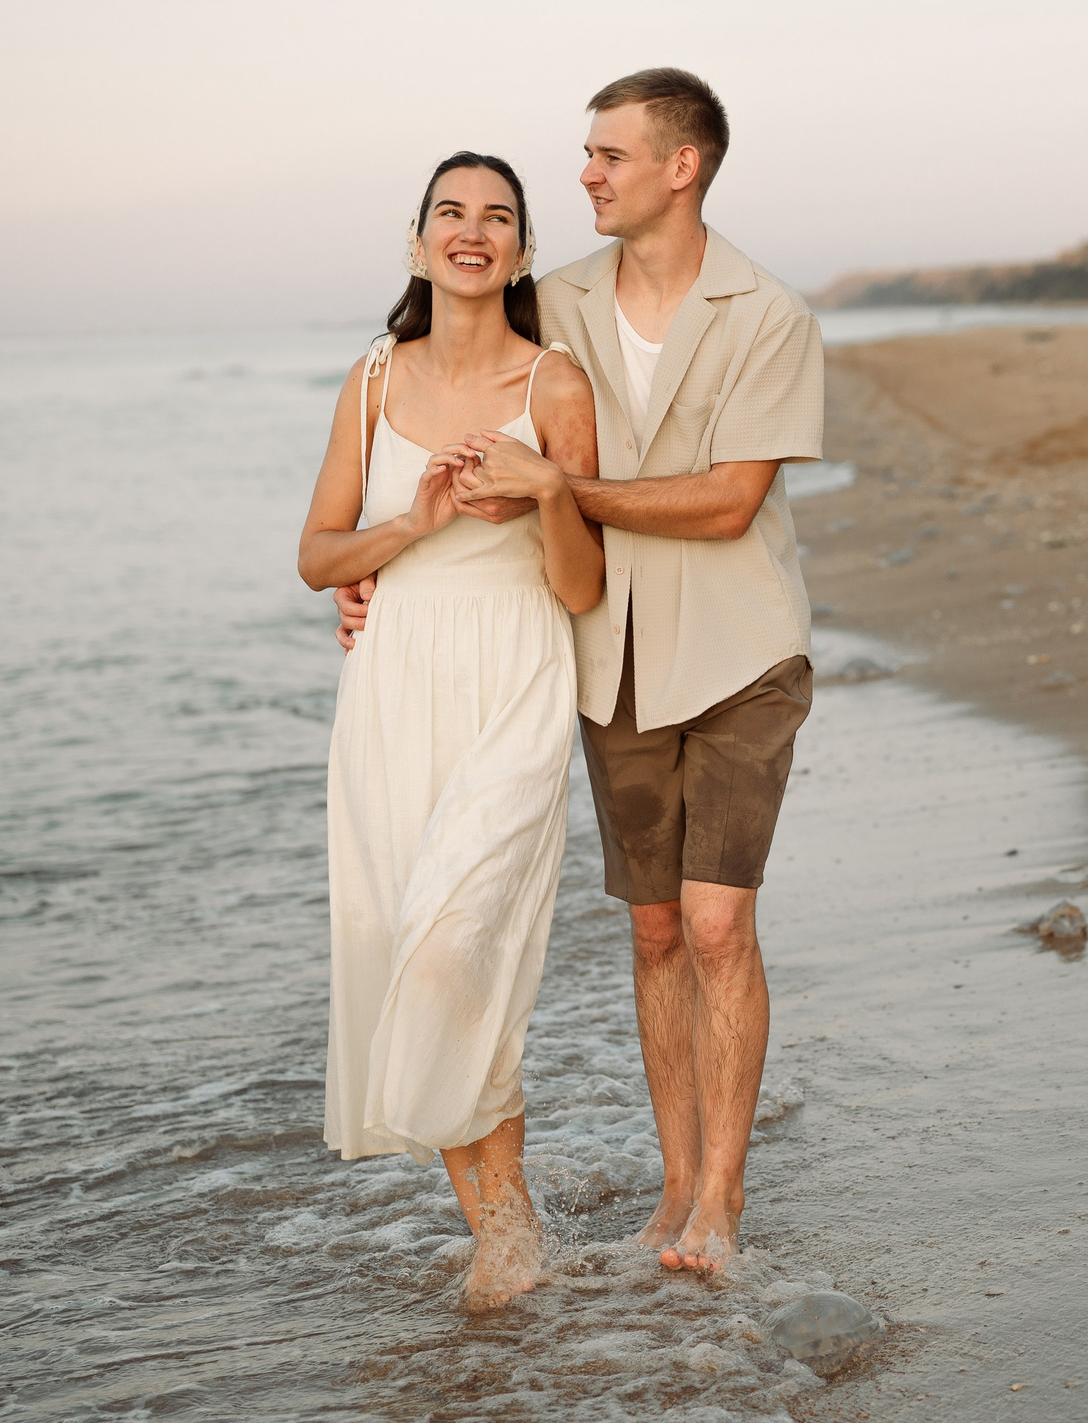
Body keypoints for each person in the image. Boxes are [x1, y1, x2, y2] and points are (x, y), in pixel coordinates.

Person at [338, 69, 823, 1278]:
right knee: (655, 930)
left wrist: (556, 491)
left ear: (682, 166)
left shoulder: (766, 313)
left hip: (738, 648)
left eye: (608, 154)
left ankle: (721, 1198)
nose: (587, 175)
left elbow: (727, 503)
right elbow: (461, 402)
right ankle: (669, 1192)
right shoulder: (550, 303)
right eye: (586, 154)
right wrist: (380, 564)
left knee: (717, 924)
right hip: (605, 665)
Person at [296, 151, 604, 1312]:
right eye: (450, 213)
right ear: (418, 240)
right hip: (390, 686)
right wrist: (408, 527)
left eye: (499, 217)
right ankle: (499, 1229)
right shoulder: (372, 381)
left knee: (455, 939)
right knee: (399, 946)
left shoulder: (555, 386)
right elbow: (318, 553)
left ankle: (509, 1216)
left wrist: (548, 491)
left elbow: (580, 588)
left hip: (515, 676)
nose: (472, 232)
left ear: (523, 251)